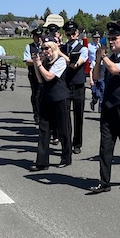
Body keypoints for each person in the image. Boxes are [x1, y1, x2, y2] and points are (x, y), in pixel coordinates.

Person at [89, 22, 120, 193]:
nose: (111, 42)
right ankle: (104, 181)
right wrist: (98, 59)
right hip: (109, 105)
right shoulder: (109, 58)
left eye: (114, 39)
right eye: (109, 39)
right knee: (105, 145)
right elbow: (97, 76)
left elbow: (115, 70)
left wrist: (104, 57)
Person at [30, 40, 72, 170]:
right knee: (44, 130)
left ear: (53, 49)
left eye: (47, 48)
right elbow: (40, 79)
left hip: (60, 98)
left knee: (63, 129)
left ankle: (66, 157)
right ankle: (42, 162)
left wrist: (39, 65)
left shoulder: (60, 61)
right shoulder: (45, 62)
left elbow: (49, 76)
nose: (44, 51)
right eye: (43, 49)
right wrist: (37, 64)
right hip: (46, 98)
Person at [62, 21, 89, 155]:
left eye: (73, 33)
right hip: (65, 85)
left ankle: (77, 143)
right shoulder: (62, 48)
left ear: (77, 33)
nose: (71, 36)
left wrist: (61, 55)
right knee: (64, 116)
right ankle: (66, 143)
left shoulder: (83, 48)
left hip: (78, 85)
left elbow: (76, 64)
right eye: (68, 34)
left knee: (78, 116)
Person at [23, 29, 44, 124]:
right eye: (37, 37)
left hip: (44, 73)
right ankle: (37, 115)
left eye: (40, 37)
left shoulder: (45, 46)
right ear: (33, 37)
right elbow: (27, 61)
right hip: (33, 74)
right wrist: (37, 62)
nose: (39, 39)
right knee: (36, 94)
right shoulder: (29, 47)